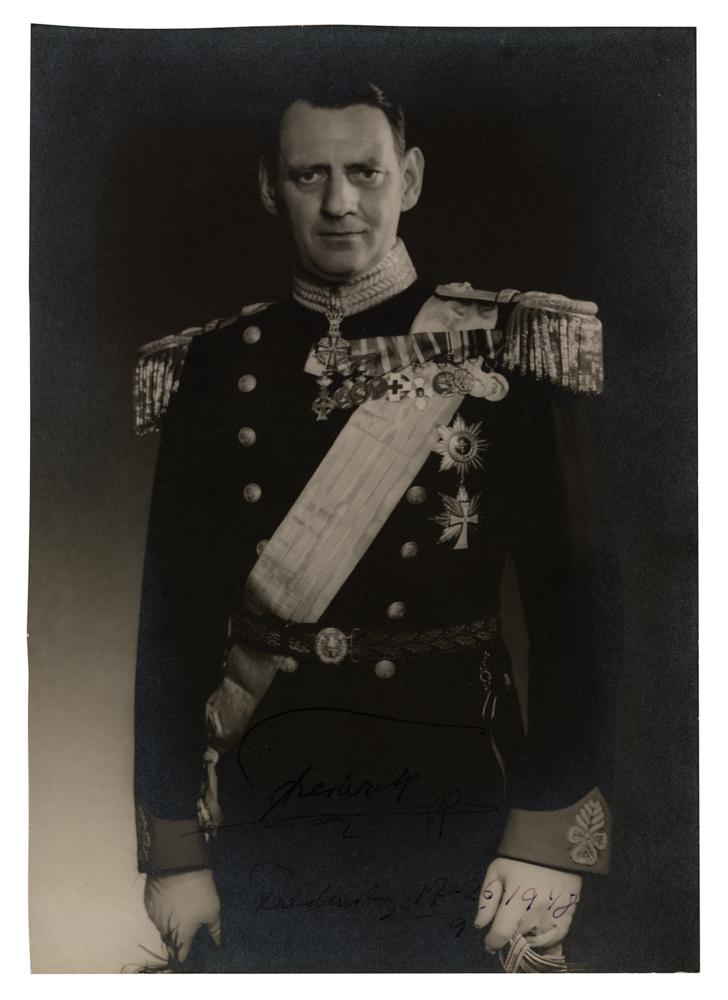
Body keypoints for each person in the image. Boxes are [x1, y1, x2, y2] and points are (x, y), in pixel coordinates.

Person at [133, 76, 621, 973]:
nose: (340, 202)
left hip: (458, 793)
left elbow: (577, 613)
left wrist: (548, 838)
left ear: (413, 176)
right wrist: (175, 849)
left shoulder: (501, 345)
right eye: (309, 174)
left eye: (365, 171)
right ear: (270, 186)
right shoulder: (214, 366)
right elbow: (173, 623)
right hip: (265, 792)